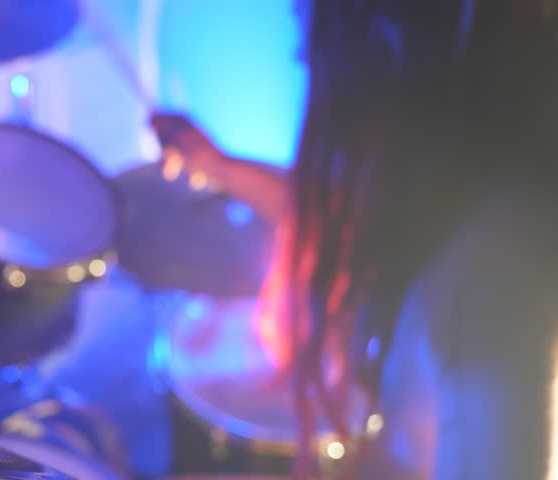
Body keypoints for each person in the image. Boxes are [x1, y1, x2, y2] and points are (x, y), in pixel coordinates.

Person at [151, 0, 558, 478]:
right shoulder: (447, 194)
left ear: (389, 56)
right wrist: (219, 167)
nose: (304, 54)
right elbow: (342, 217)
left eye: (317, 51)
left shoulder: (491, 275)